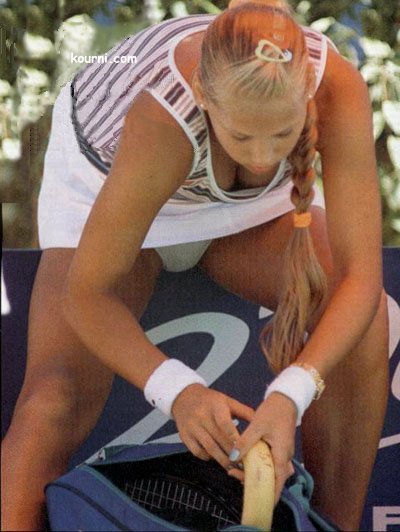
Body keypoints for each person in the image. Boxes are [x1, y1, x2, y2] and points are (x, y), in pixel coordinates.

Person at [1, 0, 389, 530]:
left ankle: (331, 525)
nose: (262, 158)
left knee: (364, 321)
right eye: (244, 136)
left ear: (304, 96)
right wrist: (179, 391)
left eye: (282, 136)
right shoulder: (162, 112)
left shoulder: (336, 87)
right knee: (54, 394)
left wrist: (290, 396)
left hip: (247, 206)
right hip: (109, 184)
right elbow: (86, 296)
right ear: (204, 95)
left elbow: (361, 280)